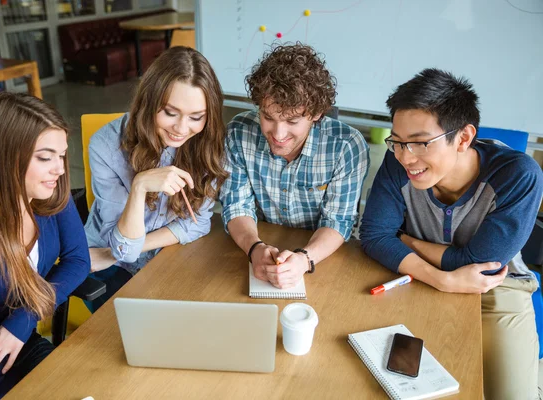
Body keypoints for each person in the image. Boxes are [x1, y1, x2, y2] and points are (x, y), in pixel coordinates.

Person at [360, 68, 543, 399]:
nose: (405, 157)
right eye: (398, 143)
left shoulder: (517, 174)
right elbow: (373, 237)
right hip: (411, 278)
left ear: (463, 137)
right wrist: (441, 278)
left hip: (494, 291)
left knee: (513, 395)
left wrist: (404, 239)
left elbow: (477, 263)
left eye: (419, 143)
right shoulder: (397, 161)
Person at [0, 92, 90, 400]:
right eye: (46, 157)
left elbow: (78, 261)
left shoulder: (47, 192)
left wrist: (22, 321)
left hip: (17, 341)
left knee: (87, 388)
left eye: (62, 155)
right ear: (7, 156)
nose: (60, 169)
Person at [84, 46, 228, 310]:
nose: (182, 129)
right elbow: (124, 249)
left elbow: (198, 224)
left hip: (150, 256)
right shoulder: (105, 146)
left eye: (196, 117)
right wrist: (139, 186)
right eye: (170, 113)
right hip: (107, 269)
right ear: (149, 101)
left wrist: (112, 255)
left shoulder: (208, 144)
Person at [219, 43, 370, 289]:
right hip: (259, 244)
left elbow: (338, 221)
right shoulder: (238, 132)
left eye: (292, 121)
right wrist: (254, 248)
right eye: (268, 117)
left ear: (317, 113)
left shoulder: (346, 146)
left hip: (322, 257)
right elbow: (236, 205)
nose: (278, 134)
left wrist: (304, 260)